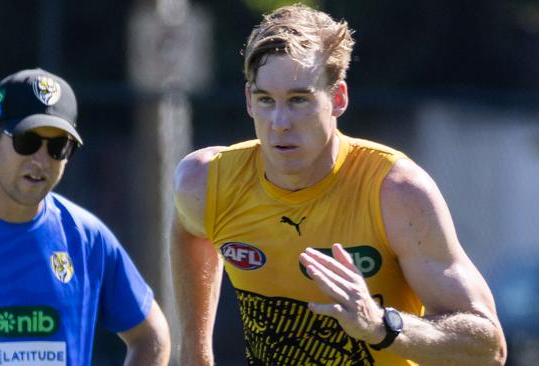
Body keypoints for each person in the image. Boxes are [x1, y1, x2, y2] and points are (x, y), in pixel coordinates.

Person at [171, 4, 507, 366]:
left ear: (338, 98)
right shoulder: (206, 181)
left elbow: (487, 349)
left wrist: (382, 326)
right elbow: (190, 233)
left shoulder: (396, 192)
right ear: (249, 100)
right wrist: (195, 352)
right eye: (266, 100)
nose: (279, 122)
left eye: (299, 100)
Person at [0, 68, 170, 365]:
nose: (40, 160)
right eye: (26, 141)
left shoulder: (86, 237)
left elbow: (151, 336)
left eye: (57, 147)